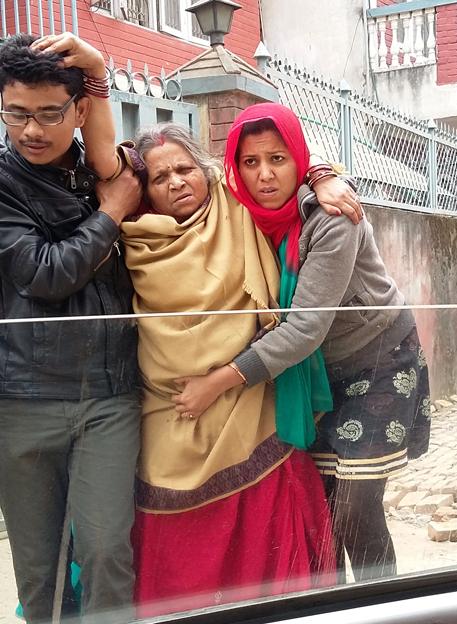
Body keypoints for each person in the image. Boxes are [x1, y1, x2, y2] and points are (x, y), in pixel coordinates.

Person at [173, 102, 432, 582]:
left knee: (356, 508)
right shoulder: (240, 215)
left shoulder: (333, 217)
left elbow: (305, 327)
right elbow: (178, 179)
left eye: (279, 159)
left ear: (297, 157)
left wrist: (217, 382)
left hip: (378, 358)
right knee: (322, 504)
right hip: (314, 371)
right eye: (250, 163)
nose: (265, 176)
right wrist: (319, 169)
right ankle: (334, 607)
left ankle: (387, 604)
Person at [118, 123, 352, 617]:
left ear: (205, 171)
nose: (176, 183)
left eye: (185, 169)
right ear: (145, 191)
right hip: (166, 406)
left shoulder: (237, 206)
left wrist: (324, 173)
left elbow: (273, 164)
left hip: (248, 391)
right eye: (160, 178)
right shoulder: (129, 236)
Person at [0, 34, 142, 623]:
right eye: (15, 113)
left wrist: (320, 172)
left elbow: (209, 182)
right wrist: (112, 212)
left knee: (107, 549)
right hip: (23, 400)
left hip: (109, 399)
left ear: (79, 111)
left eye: (49, 114)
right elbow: (43, 272)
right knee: (39, 567)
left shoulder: (104, 167)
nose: (31, 129)